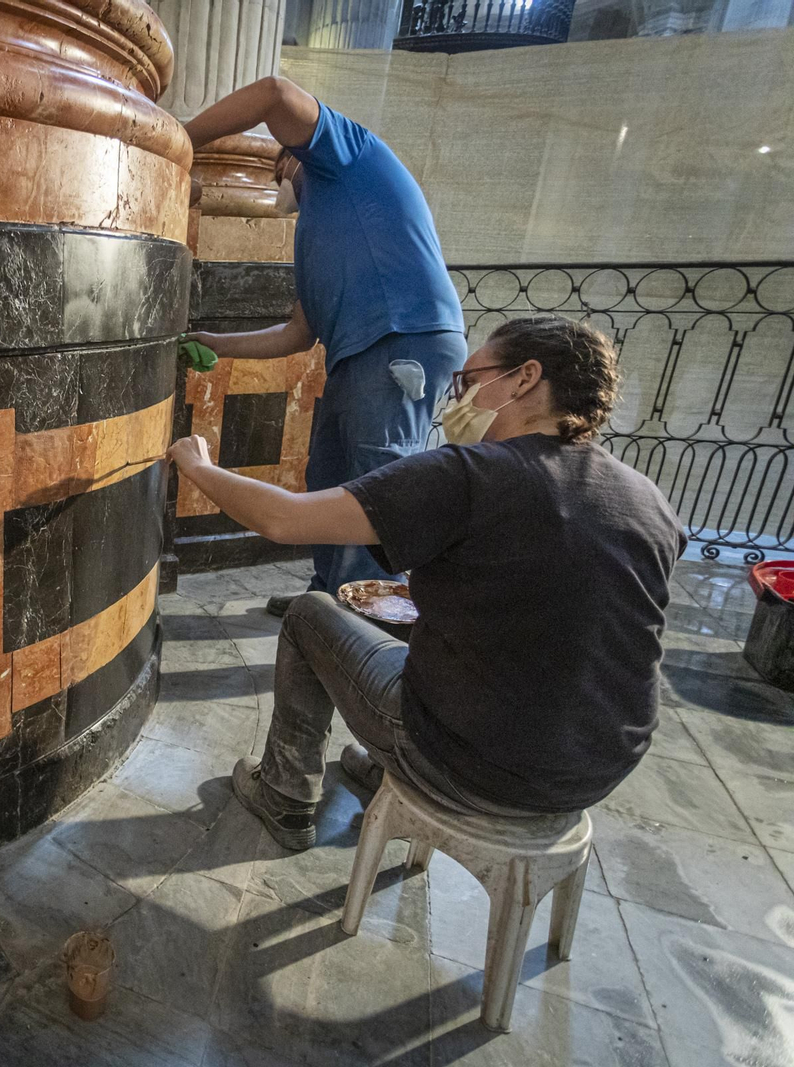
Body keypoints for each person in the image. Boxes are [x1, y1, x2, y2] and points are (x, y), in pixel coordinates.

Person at [165, 316, 686, 849]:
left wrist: (198, 466)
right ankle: (380, 765)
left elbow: (284, 520)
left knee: (308, 615)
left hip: (473, 765)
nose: (454, 400)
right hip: (596, 770)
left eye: (466, 382)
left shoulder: (466, 474)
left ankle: (285, 790)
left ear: (524, 378)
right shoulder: (647, 498)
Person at [182, 76, 468, 616]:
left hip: (400, 339)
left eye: (276, 166)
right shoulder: (319, 225)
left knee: (372, 486)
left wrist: (179, 140)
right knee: (330, 479)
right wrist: (215, 342)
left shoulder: (349, 158)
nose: (276, 180)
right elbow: (297, 334)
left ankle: (367, 621)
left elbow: (272, 94)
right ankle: (330, 599)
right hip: (363, 354)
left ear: (292, 155)